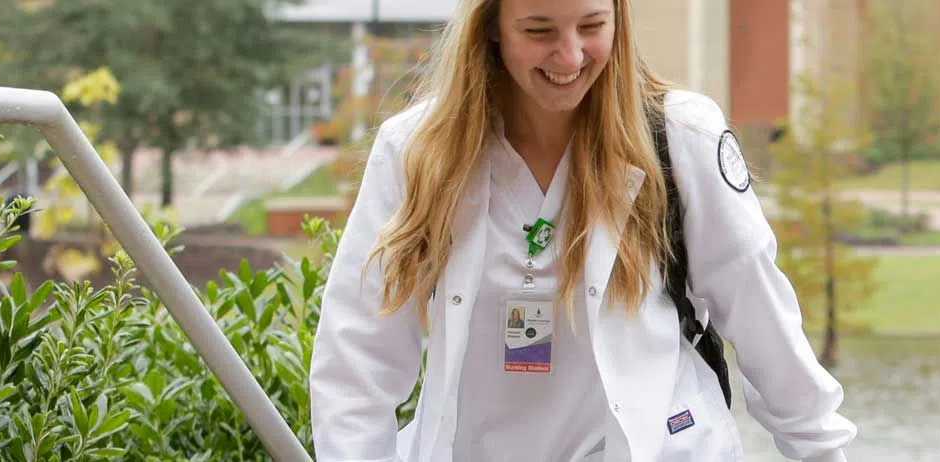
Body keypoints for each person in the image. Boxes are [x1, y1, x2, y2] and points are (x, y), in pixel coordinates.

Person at [307, 0, 857, 460]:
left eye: (592, 26)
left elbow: (762, 320)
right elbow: (357, 361)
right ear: (492, 28)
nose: (569, 56)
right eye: (539, 30)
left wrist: (823, 451)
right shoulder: (416, 152)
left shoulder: (682, 136)